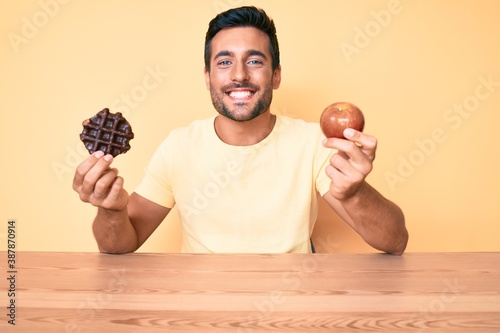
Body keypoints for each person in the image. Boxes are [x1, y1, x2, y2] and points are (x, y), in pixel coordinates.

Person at [73, 6, 408, 255]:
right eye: (223, 62)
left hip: (289, 306)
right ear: (207, 77)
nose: (239, 75)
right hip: (203, 310)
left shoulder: (313, 143)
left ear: (276, 75)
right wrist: (111, 211)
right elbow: (118, 247)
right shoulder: (179, 147)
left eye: (254, 61)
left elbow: (394, 241)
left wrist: (354, 193)